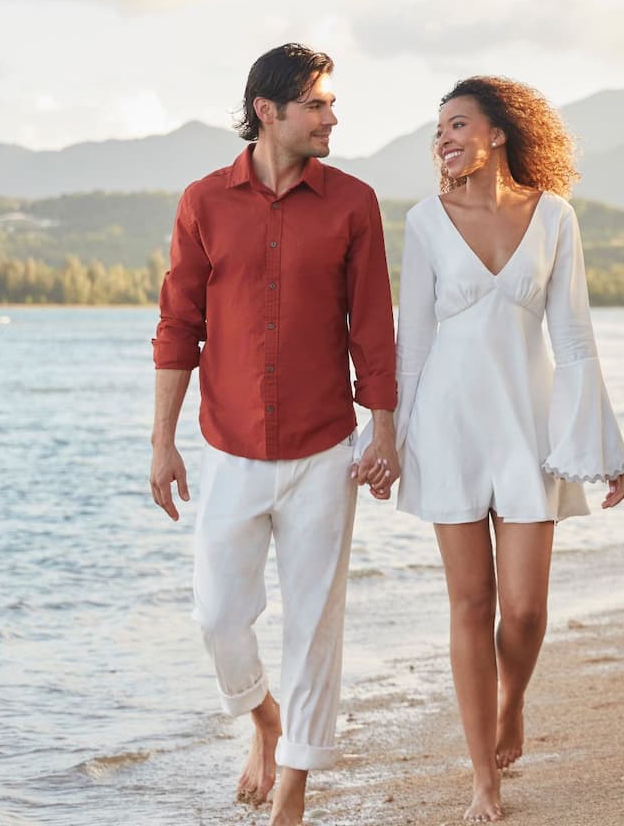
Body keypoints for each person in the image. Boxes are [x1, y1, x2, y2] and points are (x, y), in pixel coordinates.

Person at [147, 43, 400, 826]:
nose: (333, 117)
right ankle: (264, 718)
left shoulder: (354, 203)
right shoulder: (203, 201)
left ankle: (293, 792)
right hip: (227, 448)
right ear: (269, 111)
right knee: (218, 616)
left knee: (316, 625)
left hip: (326, 449)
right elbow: (178, 324)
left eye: (331, 103)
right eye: (318, 104)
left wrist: (381, 430)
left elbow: (374, 328)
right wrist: (163, 443)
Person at [391, 76, 624, 822]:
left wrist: (604, 445)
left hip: (528, 427)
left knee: (525, 612)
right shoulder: (425, 221)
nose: (445, 139)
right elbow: (414, 345)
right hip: (448, 427)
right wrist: (392, 442)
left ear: (498, 133)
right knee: (471, 604)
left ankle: (512, 699)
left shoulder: (553, 216)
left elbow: (573, 336)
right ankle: (481, 780)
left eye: (458, 124)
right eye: (438, 130)